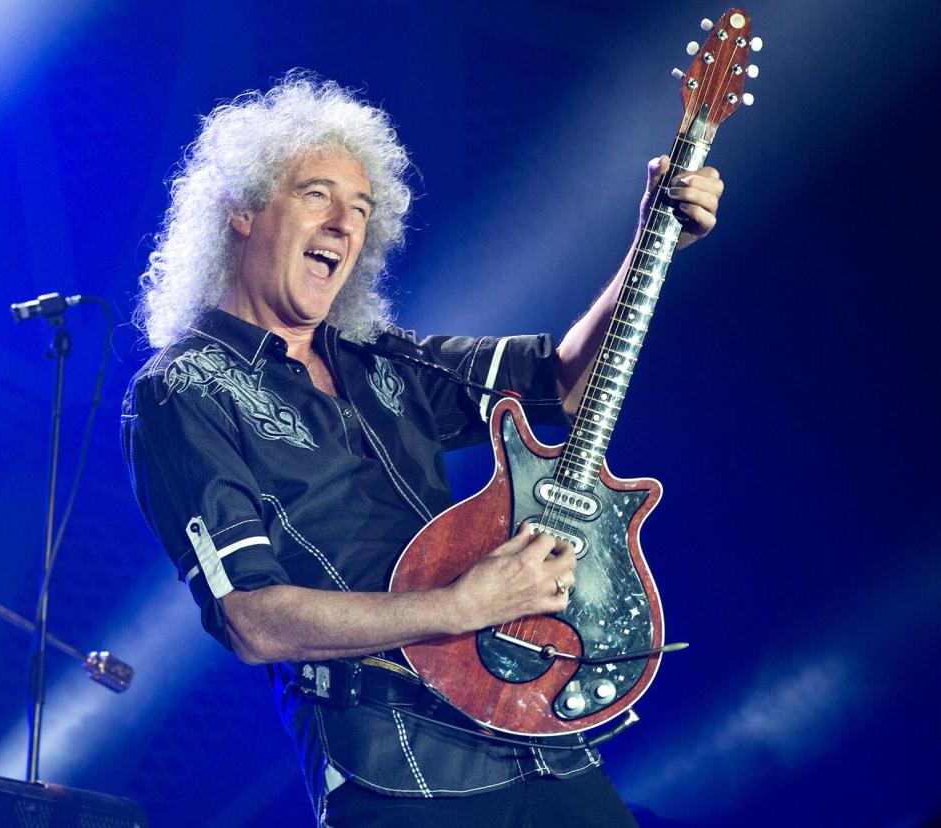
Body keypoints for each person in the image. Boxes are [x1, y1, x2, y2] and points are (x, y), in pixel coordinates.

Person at [121, 72, 723, 827]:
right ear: (241, 209)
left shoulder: (381, 358)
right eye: (317, 195)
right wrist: (460, 606)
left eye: (363, 208)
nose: (346, 222)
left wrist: (652, 239)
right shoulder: (184, 389)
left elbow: (563, 384)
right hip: (398, 765)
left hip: (537, 731)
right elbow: (252, 619)